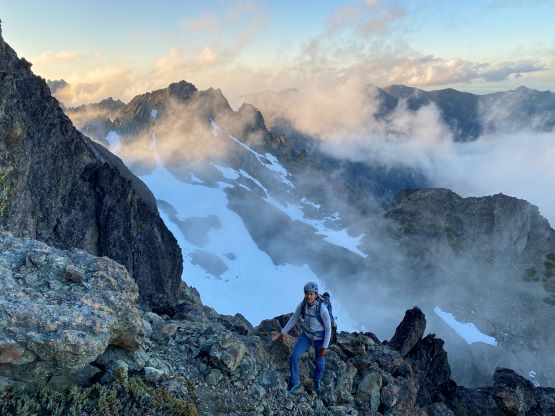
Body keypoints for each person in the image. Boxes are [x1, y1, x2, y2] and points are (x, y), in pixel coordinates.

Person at [274, 281, 331, 394]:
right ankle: (295, 382)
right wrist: (282, 333)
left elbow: (328, 329)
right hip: (306, 335)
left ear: (316, 294)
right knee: (294, 356)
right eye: (307, 293)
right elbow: (294, 319)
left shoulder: (322, 309)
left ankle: (316, 380)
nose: (309, 296)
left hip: (320, 338)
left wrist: (325, 347)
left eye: (311, 294)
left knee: (320, 363)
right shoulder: (302, 305)